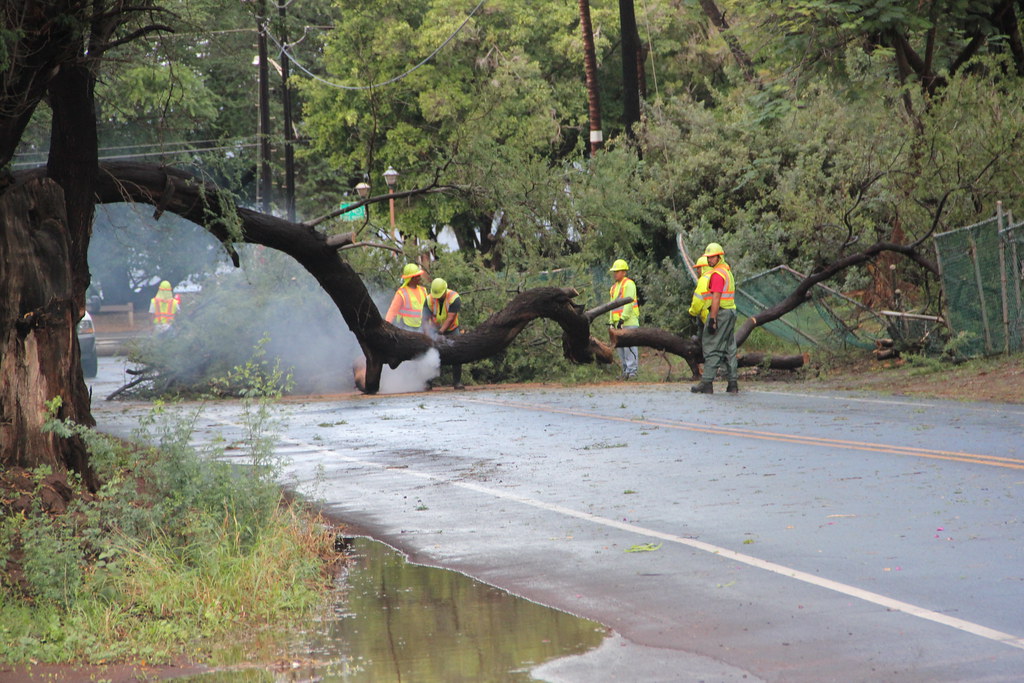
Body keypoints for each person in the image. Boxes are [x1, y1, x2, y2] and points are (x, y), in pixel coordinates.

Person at [691, 243, 738, 394]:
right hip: (731, 312)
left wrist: (712, 319)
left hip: (721, 313)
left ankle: (707, 382)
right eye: (708, 258)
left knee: (712, 346)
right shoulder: (727, 271)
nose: (709, 260)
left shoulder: (717, 274)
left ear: (720, 256)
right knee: (729, 348)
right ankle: (732, 383)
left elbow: (716, 298)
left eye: (712, 257)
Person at [427, 278, 465, 390]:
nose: (437, 297)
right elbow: (425, 318)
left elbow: (450, 318)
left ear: (445, 290)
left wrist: (440, 332)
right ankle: (428, 382)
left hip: (452, 329)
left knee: (457, 352)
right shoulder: (429, 299)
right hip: (434, 328)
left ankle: (457, 382)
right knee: (430, 352)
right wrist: (428, 333)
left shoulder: (454, 298)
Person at [608, 259, 640, 380]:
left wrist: (622, 319)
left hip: (629, 322)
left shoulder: (629, 284)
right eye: (614, 271)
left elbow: (629, 303)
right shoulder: (614, 287)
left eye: (617, 271)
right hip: (618, 324)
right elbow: (611, 306)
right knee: (621, 349)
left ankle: (632, 373)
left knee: (630, 348)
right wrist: (612, 322)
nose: (615, 273)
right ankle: (625, 372)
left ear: (624, 272)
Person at [385, 263, 429, 333]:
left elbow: (427, 310)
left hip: (421, 327)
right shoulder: (402, 293)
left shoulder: (423, 290)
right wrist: (386, 327)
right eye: (417, 276)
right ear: (411, 278)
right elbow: (392, 312)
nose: (420, 277)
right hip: (406, 328)